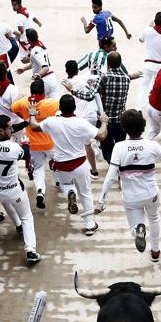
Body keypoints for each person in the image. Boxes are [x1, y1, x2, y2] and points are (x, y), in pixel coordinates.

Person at [97, 108, 161, 261]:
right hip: (150, 193)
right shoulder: (152, 145)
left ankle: (138, 230)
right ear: (143, 126)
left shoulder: (119, 148)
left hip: (130, 197)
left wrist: (101, 201)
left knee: (134, 226)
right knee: (154, 218)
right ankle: (155, 252)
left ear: (124, 127)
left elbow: (110, 177)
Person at [29, 94, 106, 234]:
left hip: (61, 165)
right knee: (86, 194)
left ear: (60, 108)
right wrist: (104, 122)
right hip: (80, 164)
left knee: (66, 185)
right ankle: (89, 224)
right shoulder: (81, 123)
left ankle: (71, 192)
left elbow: (34, 126)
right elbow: (101, 136)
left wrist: (33, 113)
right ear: (74, 108)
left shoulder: (51, 122)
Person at [0, 116, 42, 265]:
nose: (12, 130)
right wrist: (25, 143)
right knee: (27, 217)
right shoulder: (14, 148)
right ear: (0, 130)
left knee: (4, 200)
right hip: (14, 191)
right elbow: (24, 153)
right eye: (9, 128)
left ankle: (17, 225)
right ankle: (30, 250)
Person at [11, 78, 60, 208]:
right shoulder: (51, 104)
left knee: (38, 168)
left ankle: (40, 191)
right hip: (50, 143)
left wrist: (24, 116)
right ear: (43, 92)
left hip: (34, 144)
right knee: (59, 162)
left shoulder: (23, 103)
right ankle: (60, 181)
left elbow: (13, 108)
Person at [95, 49, 132, 164]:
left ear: (108, 64)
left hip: (107, 123)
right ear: (120, 64)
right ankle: (119, 167)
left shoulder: (104, 77)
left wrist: (73, 91)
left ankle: (115, 167)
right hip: (121, 121)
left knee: (107, 151)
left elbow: (92, 95)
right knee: (120, 150)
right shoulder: (127, 78)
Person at [15, 28, 58, 98]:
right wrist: (24, 69)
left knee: (42, 107)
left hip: (44, 82)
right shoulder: (40, 45)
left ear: (28, 39)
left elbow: (45, 68)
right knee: (55, 106)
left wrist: (38, 75)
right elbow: (36, 63)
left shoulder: (35, 51)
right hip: (52, 79)